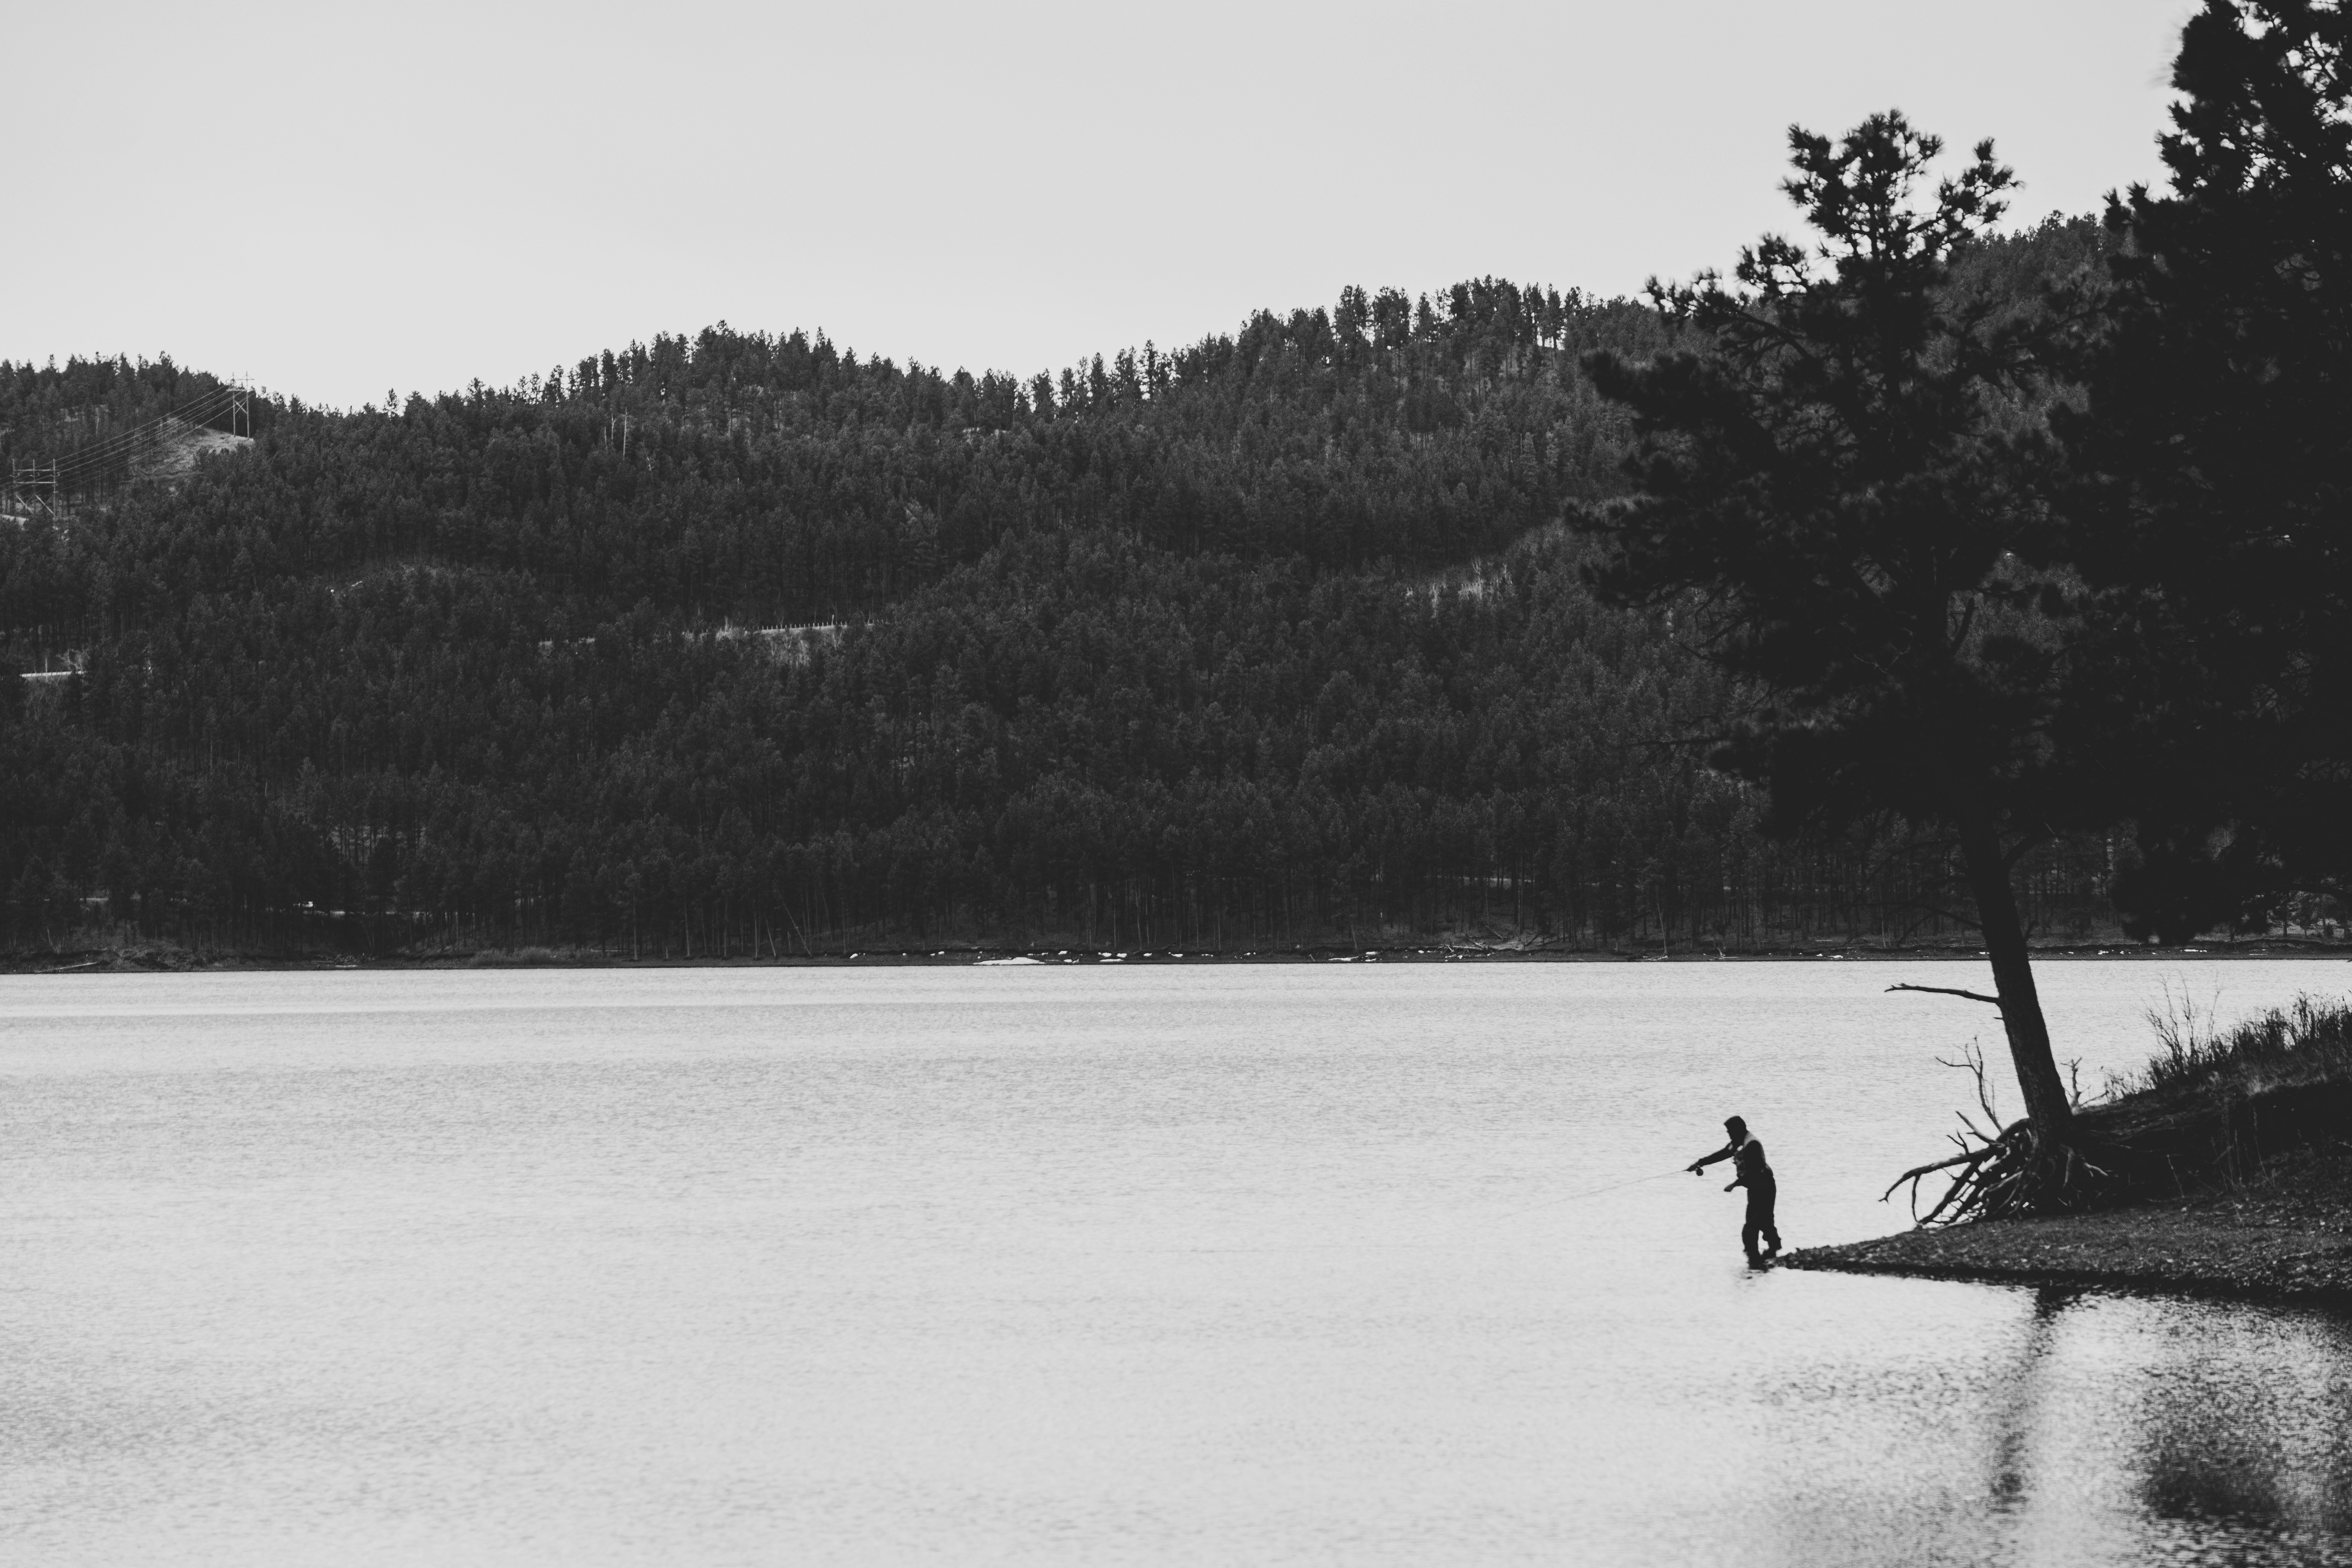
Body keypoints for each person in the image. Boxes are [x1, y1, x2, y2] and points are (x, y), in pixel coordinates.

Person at [1689, 1115, 1780, 1266]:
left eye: (1730, 1132)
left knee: (1752, 1224)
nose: (1729, 1135)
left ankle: (1753, 1260)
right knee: (1765, 1220)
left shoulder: (1752, 1145)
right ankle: (1774, 1252)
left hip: (1764, 1186)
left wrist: (1734, 1184)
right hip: (1756, 1186)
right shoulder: (1738, 1142)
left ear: (1739, 1130)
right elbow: (1723, 1154)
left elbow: (1753, 1172)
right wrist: (1701, 1163)